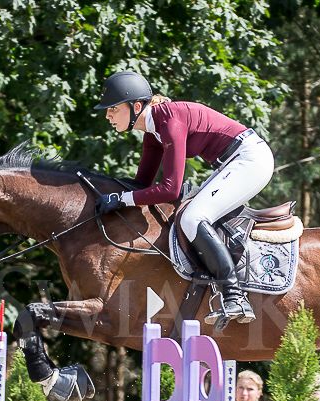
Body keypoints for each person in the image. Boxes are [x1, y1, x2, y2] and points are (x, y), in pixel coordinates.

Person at [94, 71, 275, 327]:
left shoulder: (169, 120)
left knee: (192, 218)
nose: (107, 115)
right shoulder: (153, 132)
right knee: (189, 213)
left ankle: (234, 296)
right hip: (230, 163)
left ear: (136, 107)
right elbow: (141, 184)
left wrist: (122, 199)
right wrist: (107, 193)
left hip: (250, 160)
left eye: (113, 108)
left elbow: (169, 188)